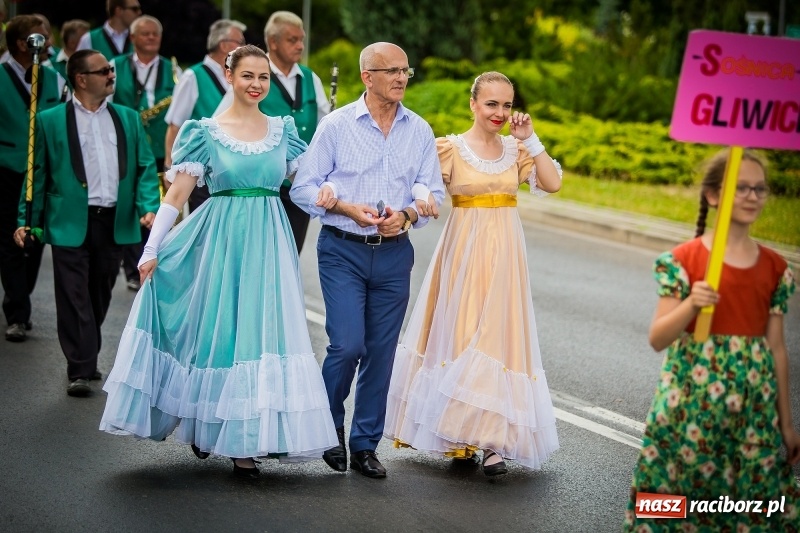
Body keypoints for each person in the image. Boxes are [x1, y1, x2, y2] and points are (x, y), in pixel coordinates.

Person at [99, 45, 338, 478]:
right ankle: (216, 426)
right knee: (221, 331)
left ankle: (245, 439)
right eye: (248, 76)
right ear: (229, 76)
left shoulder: (283, 129)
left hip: (269, 238)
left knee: (261, 333)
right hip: (221, 240)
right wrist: (152, 249)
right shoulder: (205, 131)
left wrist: (330, 192)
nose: (256, 85)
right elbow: (176, 195)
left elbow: (307, 178)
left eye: (263, 77)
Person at [383, 72, 562, 477]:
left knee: (498, 340)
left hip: (507, 256)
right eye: (491, 104)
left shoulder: (517, 151)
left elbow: (550, 184)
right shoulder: (449, 148)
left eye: (507, 105)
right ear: (473, 105)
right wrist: (419, 202)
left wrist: (531, 138)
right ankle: (458, 435)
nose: (500, 113)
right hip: (463, 252)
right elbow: (418, 186)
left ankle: (492, 444)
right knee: (462, 335)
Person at [622, 149, 800, 531]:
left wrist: (786, 423)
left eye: (760, 189)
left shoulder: (775, 268)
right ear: (713, 195)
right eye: (742, 188)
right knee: (675, 505)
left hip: (752, 414)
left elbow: (777, 349)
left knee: (754, 509)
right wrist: (691, 305)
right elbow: (658, 338)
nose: (753, 196)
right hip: (689, 411)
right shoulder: (683, 260)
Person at [290, 42, 445, 479]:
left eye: (405, 70)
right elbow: (304, 188)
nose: (400, 78)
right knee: (347, 345)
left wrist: (409, 215)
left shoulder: (419, 130)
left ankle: (364, 444)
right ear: (367, 77)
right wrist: (342, 206)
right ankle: (327, 427)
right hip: (342, 249)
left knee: (381, 353)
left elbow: (433, 192)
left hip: (395, 255)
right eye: (390, 70)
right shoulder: (336, 126)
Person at [13, 49, 160, 396]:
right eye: (104, 70)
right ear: (81, 79)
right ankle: (80, 367)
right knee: (73, 294)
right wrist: (25, 221)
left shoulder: (127, 117)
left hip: (114, 221)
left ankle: (86, 355)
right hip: (68, 221)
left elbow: (143, 167)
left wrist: (149, 206)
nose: (112, 75)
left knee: (99, 292)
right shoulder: (49, 120)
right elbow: (36, 175)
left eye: (111, 69)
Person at [215, 12, 329, 253]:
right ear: (273, 42)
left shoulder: (310, 78)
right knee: (256, 253)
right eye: (292, 39)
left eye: (302, 39)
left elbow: (325, 127)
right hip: (262, 186)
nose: (300, 45)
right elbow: (220, 126)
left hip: (299, 183)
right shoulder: (251, 74)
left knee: (289, 253)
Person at [1, 15, 67, 342]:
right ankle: (16, 312)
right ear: (19, 43)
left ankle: (20, 295)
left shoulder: (55, 79)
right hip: (6, 169)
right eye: (39, 37)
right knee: (9, 239)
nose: (47, 42)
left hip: (44, 172)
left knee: (34, 236)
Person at [110, 14, 178, 291]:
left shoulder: (172, 69)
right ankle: (130, 264)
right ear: (133, 38)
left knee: (161, 204)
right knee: (130, 201)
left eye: (156, 34)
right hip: (127, 142)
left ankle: (153, 257)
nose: (152, 38)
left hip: (160, 145)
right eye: (146, 33)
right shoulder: (114, 66)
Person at [164, 19, 245, 213]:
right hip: (204, 170)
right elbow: (175, 125)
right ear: (224, 45)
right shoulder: (193, 76)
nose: (244, 47)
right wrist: (170, 167)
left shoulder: (238, 76)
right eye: (240, 42)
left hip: (234, 171)